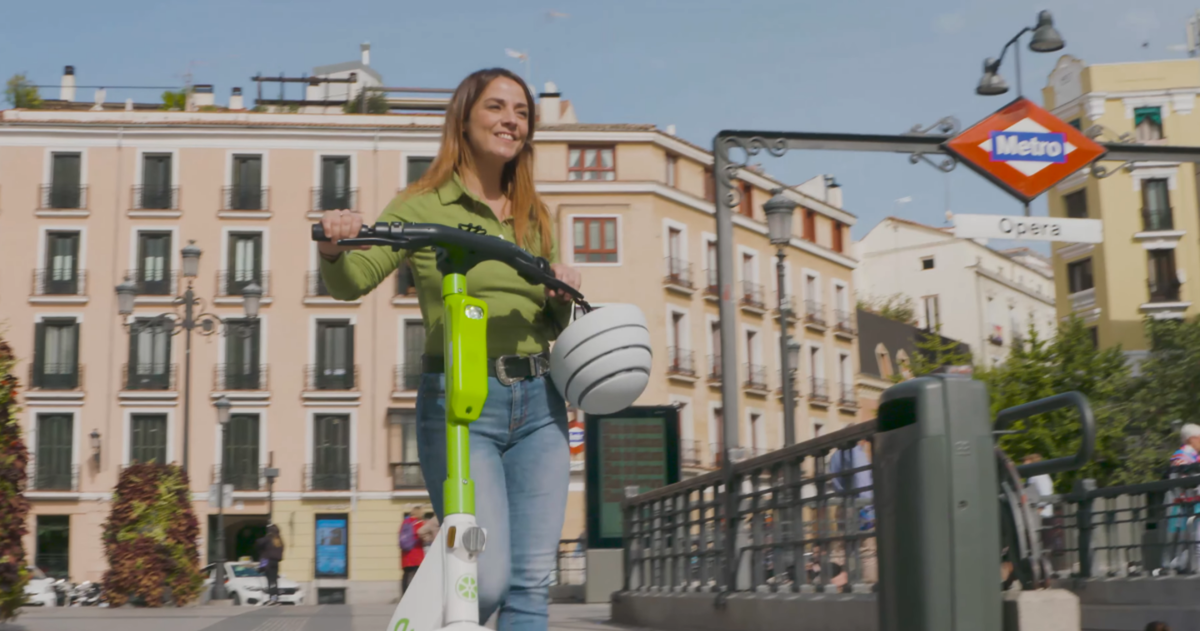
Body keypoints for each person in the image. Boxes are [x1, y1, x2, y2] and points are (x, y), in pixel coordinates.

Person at [318, 68, 581, 630]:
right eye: (496, 106)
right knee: (485, 580)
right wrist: (338, 247)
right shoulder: (421, 204)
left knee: (531, 585)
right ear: (464, 117)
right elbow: (355, 278)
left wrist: (561, 293)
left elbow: (549, 318)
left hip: (541, 405)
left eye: (522, 112)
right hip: (462, 403)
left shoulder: (535, 215)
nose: (511, 119)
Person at [254, 524, 284, 605]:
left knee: (270, 581)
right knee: (274, 581)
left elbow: (258, 543)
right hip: (276, 562)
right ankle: (275, 598)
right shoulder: (279, 540)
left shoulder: (268, 539)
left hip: (268, 562)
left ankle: (272, 599)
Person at [400, 506, 426, 594]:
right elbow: (424, 537)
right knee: (417, 577)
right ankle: (415, 595)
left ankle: (404, 596)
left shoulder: (405, 522)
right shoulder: (420, 523)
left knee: (406, 576)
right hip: (416, 554)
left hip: (406, 555)